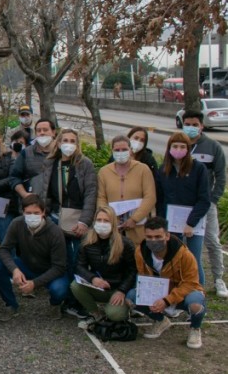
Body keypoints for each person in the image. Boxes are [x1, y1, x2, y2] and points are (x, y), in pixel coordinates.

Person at [131, 217, 206, 349]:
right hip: (158, 291)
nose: (153, 240)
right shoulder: (140, 252)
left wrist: (167, 300)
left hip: (183, 293)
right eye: (149, 237)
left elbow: (191, 283)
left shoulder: (185, 255)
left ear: (167, 236)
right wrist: (149, 295)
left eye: (158, 236)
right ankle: (161, 320)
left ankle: (195, 329)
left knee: (195, 304)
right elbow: (143, 276)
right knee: (131, 298)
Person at [37, 128, 97, 285]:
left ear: (78, 145)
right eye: (65, 141)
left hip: (78, 220)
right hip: (56, 217)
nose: (68, 145)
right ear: (58, 143)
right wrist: (45, 214)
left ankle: (77, 292)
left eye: (72, 141)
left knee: (77, 258)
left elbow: (91, 194)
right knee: (60, 257)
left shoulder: (85, 164)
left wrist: (85, 221)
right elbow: (45, 192)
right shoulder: (50, 163)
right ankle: (62, 291)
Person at [0, 195, 69, 321]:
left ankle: (55, 304)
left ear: (43, 212)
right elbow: (3, 250)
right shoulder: (17, 224)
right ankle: (11, 304)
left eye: (36, 213)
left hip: (51, 270)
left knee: (60, 289)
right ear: (22, 212)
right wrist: (15, 270)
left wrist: (35, 284)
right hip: (26, 266)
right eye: (28, 213)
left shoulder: (55, 232)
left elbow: (59, 267)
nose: (32, 216)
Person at [182, 110, 227, 297]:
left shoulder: (212, 146)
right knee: (185, 245)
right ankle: (186, 280)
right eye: (187, 124)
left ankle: (218, 279)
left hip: (206, 205)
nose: (191, 128)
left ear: (201, 125)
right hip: (183, 205)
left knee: (212, 241)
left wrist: (213, 200)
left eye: (195, 124)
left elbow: (221, 176)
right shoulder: (179, 145)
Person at [157, 132, 211, 285]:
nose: (178, 149)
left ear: (188, 149)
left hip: (193, 223)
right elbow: (160, 200)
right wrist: (163, 224)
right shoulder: (163, 170)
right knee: (172, 258)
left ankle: (198, 296)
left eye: (182, 146)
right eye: (175, 146)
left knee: (193, 259)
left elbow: (204, 200)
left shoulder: (199, 169)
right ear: (169, 148)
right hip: (170, 223)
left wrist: (190, 223)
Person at [70, 207, 137, 324]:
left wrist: (122, 290)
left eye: (106, 221)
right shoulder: (87, 241)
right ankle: (95, 313)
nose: (102, 223)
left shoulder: (125, 244)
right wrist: (93, 278)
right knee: (75, 286)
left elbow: (133, 270)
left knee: (114, 315)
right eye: (99, 220)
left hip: (118, 289)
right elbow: (79, 266)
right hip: (99, 286)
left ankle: (124, 306)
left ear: (113, 223)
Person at [96, 135, 157, 246]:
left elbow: (150, 197)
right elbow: (101, 197)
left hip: (138, 227)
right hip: (114, 226)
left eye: (124, 149)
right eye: (117, 150)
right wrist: (108, 218)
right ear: (112, 151)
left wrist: (134, 219)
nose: (121, 152)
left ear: (130, 150)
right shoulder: (104, 172)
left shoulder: (143, 169)